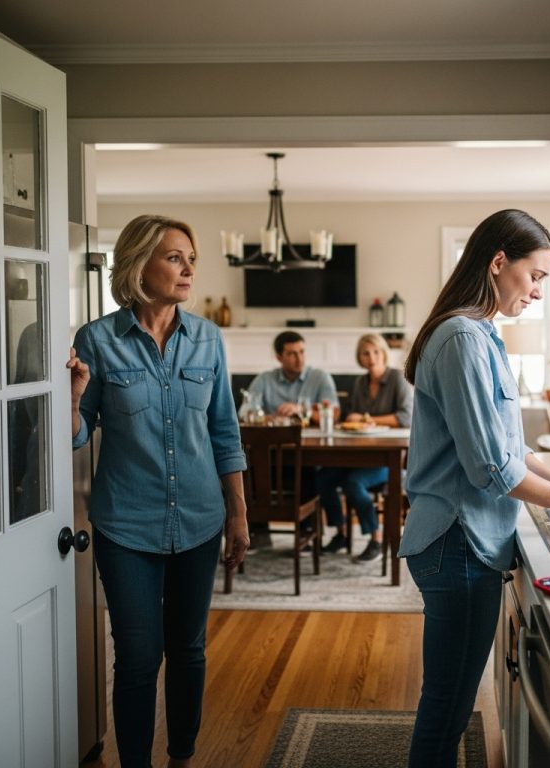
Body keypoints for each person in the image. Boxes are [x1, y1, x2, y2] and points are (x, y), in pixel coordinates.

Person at [398, 209, 550, 768]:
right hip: (457, 543)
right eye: (535, 275)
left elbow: (513, 448)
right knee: (447, 706)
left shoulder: (483, 337)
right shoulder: (461, 339)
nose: (539, 291)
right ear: (499, 262)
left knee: (449, 700)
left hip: (463, 541)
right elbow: (491, 468)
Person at [66, 214, 249, 768]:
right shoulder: (97, 340)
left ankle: (182, 758)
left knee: (188, 650)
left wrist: (238, 513)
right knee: (138, 657)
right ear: (138, 264)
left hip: (199, 520)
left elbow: (224, 431)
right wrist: (71, 401)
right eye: (175, 258)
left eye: (191, 259)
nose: (188, 269)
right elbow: (76, 434)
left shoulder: (208, 339)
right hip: (126, 526)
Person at [316, 333, 413, 562]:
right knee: (322, 479)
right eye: (365, 353)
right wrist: (351, 417)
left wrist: (366, 419)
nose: (371, 357)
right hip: (358, 454)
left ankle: (376, 539)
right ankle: (340, 533)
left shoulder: (397, 378)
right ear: (360, 357)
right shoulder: (360, 383)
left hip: (388, 458)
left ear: (383, 353)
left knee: (353, 483)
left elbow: (406, 417)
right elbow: (352, 415)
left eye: (376, 352)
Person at [246, 330, 339, 547]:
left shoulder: (319, 377)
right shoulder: (264, 380)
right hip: (271, 456)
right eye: (292, 354)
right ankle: (259, 532)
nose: (299, 358)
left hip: (307, 456)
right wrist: (272, 417)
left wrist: (302, 410)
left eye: (302, 352)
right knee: (250, 468)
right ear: (279, 357)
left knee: (307, 470)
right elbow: (246, 413)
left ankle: (306, 532)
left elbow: (333, 414)